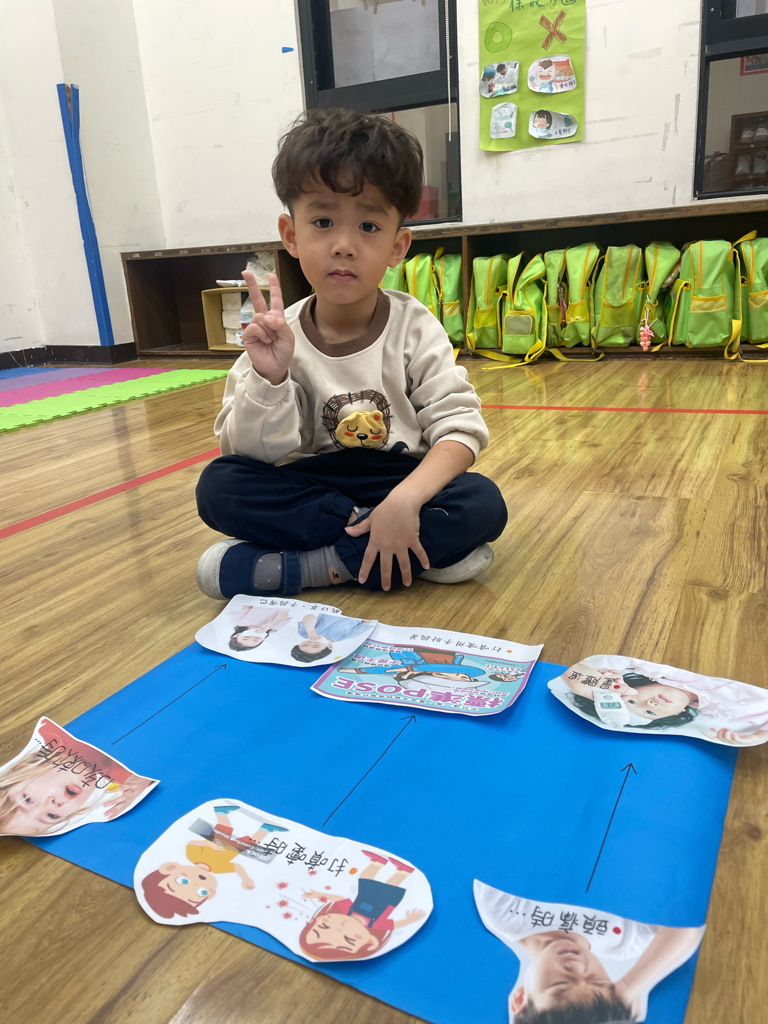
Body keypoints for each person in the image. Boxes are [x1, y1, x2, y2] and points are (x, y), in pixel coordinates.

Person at [195, 107, 507, 600]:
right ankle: (403, 549)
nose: (343, 245)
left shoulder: (414, 326)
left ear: (398, 246)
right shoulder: (276, 336)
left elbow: (460, 430)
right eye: (322, 221)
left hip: (398, 480)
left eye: (368, 226)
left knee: (481, 502)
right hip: (312, 487)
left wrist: (404, 502)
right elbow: (251, 455)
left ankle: (311, 567)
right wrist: (271, 380)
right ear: (291, 235)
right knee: (219, 486)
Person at [475, 882, 704, 1024]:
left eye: (559, 984)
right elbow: (685, 925)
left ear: (519, 998)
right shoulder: (625, 943)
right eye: (599, 981)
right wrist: (628, 987)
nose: (577, 966)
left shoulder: (502, 913)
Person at [0, 718, 152, 836]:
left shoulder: (47, 730)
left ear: (20, 771)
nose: (53, 805)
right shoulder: (126, 778)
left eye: (28, 800)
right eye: (51, 816)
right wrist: (144, 781)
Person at [561, 660, 768, 743]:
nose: (649, 705)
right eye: (650, 713)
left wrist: (602, 675)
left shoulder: (655, 670)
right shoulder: (724, 712)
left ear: (638, 686)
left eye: (632, 702)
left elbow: (583, 667)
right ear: (677, 714)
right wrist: (758, 736)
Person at [140, 805, 288, 920]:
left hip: (218, 842)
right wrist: (245, 878)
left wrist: (208, 844)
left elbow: (192, 843)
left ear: (170, 867)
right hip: (234, 849)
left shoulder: (193, 856)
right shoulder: (219, 869)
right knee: (251, 843)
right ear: (210, 894)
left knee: (226, 829)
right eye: (201, 892)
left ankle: (221, 813)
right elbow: (236, 866)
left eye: (182, 881)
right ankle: (265, 829)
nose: (196, 883)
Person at [299, 849, 426, 961]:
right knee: (392, 884)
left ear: (318, 919)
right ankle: (403, 872)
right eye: (349, 939)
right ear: (371, 942)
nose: (339, 928)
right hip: (387, 900)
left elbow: (339, 899)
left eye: (324, 926)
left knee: (365, 876)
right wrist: (410, 919)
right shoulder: (376, 924)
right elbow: (395, 925)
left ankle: (377, 863)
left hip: (366, 893)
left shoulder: (348, 911)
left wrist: (320, 894)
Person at [290, 612, 373, 663]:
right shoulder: (345, 636)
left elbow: (309, 616)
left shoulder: (305, 633)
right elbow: (367, 621)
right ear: (329, 646)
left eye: (305, 644)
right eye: (316, 646)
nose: (312, 642)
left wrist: (311, 632)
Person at [227, 603, 291, 651]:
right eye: (256, 639)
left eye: (246, 637)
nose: (253, 635)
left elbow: (248, 603)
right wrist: (270, 625)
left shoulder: (239, 621)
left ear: (237, 635)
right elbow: (285, 613)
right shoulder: (275, 627)